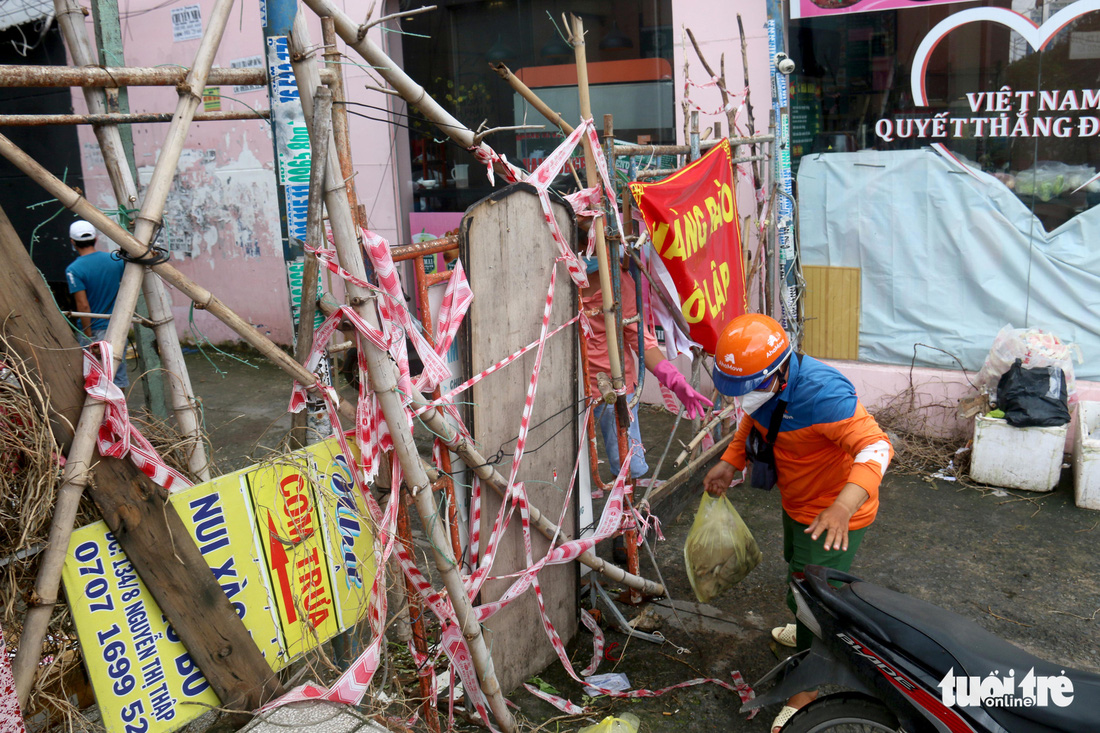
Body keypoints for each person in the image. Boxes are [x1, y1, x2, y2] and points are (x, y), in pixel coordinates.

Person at [702, 313, 892, 732]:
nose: (743, 397)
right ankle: (802, 630)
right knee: (798, 577)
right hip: (798, 505)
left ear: (780, 372)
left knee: (820, 603)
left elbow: (877, 447)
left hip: (832, 517)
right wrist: (730, 461)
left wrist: (842, 506)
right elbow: (753, 420)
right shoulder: (764, 390)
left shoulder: (824, 395)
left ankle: (806, 692)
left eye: (751, 387)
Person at [581, 256, 712, 480]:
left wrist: (675, 381)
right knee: (574, 468)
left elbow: (641, 341)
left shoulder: (618, 280)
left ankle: (626, 510)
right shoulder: (558, 274)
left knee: (627, 465)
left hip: (615, 386)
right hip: (570, 386)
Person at [66, 220, 128, 388]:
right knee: (117, 376)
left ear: (73, 242)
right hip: (117, 325)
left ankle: (99, 415)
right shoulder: (115, 261)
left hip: (95, 330)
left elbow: (83, 306)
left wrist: (88, 336)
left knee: (96, 380)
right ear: (95, 239)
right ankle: (120, 412)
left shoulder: (74, 269)